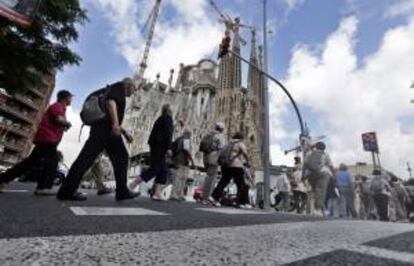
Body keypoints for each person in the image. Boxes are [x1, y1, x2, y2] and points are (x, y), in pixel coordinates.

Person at [57, 78, 137, 201]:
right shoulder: (119, 87)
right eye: (134, 89)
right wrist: (115, 124)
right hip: (105, 130)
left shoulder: (113, 89)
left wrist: (125, 133)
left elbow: (111, 112)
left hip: (106, 130)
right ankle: (66, 191)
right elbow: (111, 103)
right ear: (129, 85)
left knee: (120, 157)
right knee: (86, 158)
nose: (133, 92)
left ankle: (122, 191)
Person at [0, 90, 73, 195]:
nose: (71, 99)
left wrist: (63, 125)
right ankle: (43, 188)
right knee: (52, 162)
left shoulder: (60, 107)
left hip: (46, 139)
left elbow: (57, 121)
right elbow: (59, 119)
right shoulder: (58, 106)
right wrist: (67, 123)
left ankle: (3, 179)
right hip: (48, 139)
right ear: (65, 98)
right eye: (70, 97)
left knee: (29, 162)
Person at [129, 104, 174, 200]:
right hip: (160, 146)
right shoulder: (168, 118)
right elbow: (168, 133)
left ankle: (157, 193)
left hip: (155, 145)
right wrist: (169, 148)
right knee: (155, 169)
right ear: (169, 111)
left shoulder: (160, 118)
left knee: (163, 170)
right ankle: (133, 184)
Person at [210, 132, 252, 209]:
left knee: (223, 182)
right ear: (241, 138)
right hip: (236, 166)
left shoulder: (228, 143)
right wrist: (248, 162)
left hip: (226, 165)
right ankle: (244, 202)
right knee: (241, 184)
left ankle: (214, 197)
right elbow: (245, 153)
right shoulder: (240, 143)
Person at [304, 141, 335, 216]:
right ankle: (317, 209)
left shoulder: (309, 153)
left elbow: (305, 164)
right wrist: (334, 175)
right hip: (323, 173)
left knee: (315, 191)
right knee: (321, 191)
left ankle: (321, 209)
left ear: (316, 146)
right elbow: (331, 166)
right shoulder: (325, 154)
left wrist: (304, 176)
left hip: (311, 175)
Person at [200, 122, 225, 204]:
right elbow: (222, 149)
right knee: (211, 179)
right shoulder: (220, 137)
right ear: (222, 129)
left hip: (205, 158)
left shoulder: (208, 134)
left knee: (208, 177)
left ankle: (203, 196)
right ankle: (206, 198)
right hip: (213, 159)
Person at [170, 129, 194, 201]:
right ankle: (177, 194)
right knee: (181, 179)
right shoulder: (186, 140)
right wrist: (192, 160)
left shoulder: (178, 139)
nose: (190, 137)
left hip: (177, 160)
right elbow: (186, 150)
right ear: (187, 134)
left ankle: (177, 194)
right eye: (190, 135)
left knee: (178, 178)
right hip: (183, 161)